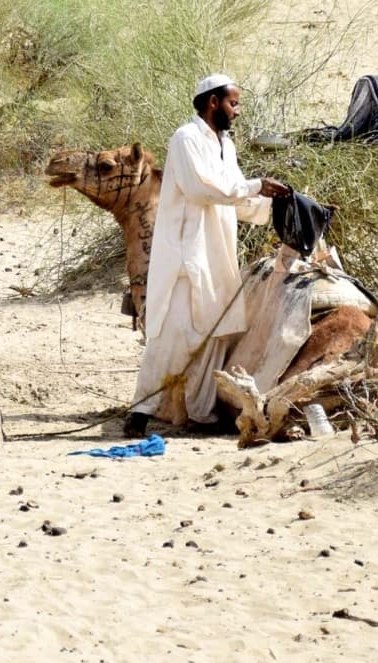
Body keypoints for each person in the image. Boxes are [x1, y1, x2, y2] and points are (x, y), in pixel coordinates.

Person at [124, 75, 290, 437]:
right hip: (188, 255)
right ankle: (139, 412)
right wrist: (255, 185)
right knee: (174, 337)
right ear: (213, 102)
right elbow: (203, 189)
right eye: (234, 103)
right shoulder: (185, 139)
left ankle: (200, 414)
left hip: (217, 256)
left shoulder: (225, 145)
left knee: (217, 333)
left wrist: (272, 204)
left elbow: (236, 198)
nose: (238, 111)